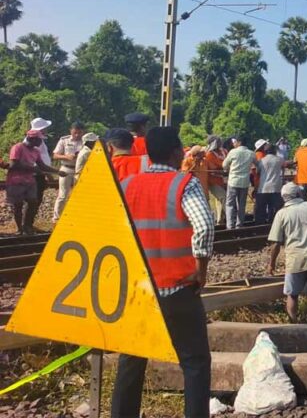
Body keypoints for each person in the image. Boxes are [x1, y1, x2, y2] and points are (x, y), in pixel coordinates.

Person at [112, 126, 214, 418]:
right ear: (174, 153)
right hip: (177, 288)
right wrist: (201, 270)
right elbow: (205, 225)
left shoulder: (128, 185)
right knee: (194, 362)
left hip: (137, 291)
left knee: (131, 361)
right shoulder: (184, 183)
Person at [267, 182, 307, 323]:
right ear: (299, 194)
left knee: (292, 294)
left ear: (284, 198)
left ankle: (292, 323)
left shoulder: (281, 214)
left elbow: (276, 243)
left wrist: (271, 264)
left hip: (295, 260)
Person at [7, 129, 65, 235]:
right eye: (39, 140)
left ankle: (27, 226)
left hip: (30, 181)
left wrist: (57, 171)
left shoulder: (36, 151)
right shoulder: (18, 147)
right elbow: (13, 164)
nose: (40, 142)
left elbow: (42, 165)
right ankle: (19, 229)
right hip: (16, 180)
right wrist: (32, 168)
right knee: (18, 205)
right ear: (32, 139)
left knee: (33, 202)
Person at [51, 121, 85, 221]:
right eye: (75, 133)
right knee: (63, 195)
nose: (77, 135)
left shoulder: (85, 141)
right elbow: (55, 155)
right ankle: (56, 218)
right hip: (66, 168)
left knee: (78, 195)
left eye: (79, 133)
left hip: (80, 170)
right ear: (71, 131)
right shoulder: (64, 140)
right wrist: (66, 156)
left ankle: (75, 217)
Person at [221, 137, 257, 229]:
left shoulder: (233, 152)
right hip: (245, 182)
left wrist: (229, 168)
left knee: (230, 204)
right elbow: (258, 165)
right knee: (241, 204)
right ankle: (239, 225)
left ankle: (230, 225)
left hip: (233, 181)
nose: (234, 143)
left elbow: (224, 165)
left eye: (235, 142)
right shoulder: (251, 153)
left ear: (239, 142)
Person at [255, 145, 285, 224]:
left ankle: (260, 226)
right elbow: (286, 164)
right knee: (275, 209)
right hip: (276, 187)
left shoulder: (261, 161)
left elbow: (257, 172)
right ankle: (273, 223)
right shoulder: (279, 160)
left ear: (265, 152)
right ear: (275, 151)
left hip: (263, 188)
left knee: (261, 210)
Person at [204, 136, 228, 226]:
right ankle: (231, 217)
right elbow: (216, 167)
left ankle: (220, 221)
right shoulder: (209, 155)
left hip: (225, 179)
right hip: (213, 181)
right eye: (217, 142)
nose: (220, 143)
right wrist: (224, 169)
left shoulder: (224, 151)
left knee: (219, 201)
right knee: (223, 197)